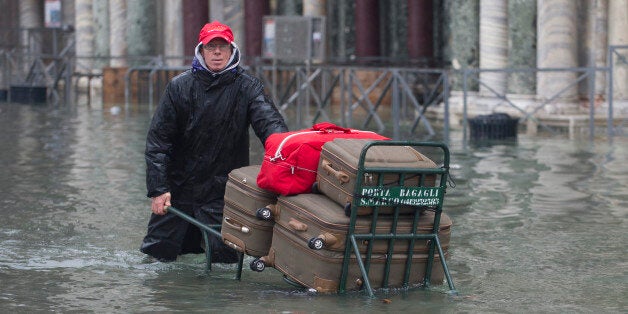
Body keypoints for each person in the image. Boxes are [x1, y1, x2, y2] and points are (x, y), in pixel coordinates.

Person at [140, 21, 288, 263]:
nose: (217, 53)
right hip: (177, 189)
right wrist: (158, 189)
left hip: (222, 190)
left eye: (222, 47)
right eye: (211, 47)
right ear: (201, 50)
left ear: (232, 51)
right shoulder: (179, 87)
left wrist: (284, 150)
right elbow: (158, 143)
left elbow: (270, 125)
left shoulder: (248, 87)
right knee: (157, 255)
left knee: (225, 260)